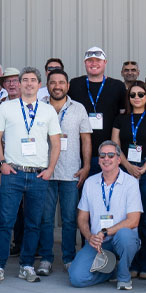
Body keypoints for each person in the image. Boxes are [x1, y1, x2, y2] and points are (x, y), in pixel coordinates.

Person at [0, 68, 61, 284]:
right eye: (25, 80)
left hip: (38, 175)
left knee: (33, 223)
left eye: (33, 80)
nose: (29, 83)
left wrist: (50, 169)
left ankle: (26, 265)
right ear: (19, 84)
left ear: (39, 85)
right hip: (13, 173)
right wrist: (2, 163)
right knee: (6, 223)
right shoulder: (6, 108)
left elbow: (56, 143)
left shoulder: (48, 110)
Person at [68, 141, 142, 290]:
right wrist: (89, 237)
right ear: (98, 160)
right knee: (76, 278)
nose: (106, 159)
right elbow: (82, 218)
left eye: (111, 155)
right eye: (102, 155)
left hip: (121, 239)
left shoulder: (131, 183)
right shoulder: (90, 183)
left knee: (125, 236)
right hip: (98, 243)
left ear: (119, 159)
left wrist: (106, 232)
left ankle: (123, 276)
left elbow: (134, 221)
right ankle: (110, 272)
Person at [116, 79, 146, 280]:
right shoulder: (121, 119)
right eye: (133, 95)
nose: (137, 98)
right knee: (129, 219)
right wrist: (128, 167)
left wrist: (144, 168)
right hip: (126, 170)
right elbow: (116, 145)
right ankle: (132, 263)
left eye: (140, 94)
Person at [42, 68, 89, 272]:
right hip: (45, 173)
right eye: (53, 82)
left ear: (68, 86)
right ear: (47, 85)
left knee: (70, 219)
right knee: (46, 219)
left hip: (71, 172)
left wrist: (86, 166)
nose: (57, 86)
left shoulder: (78, 108)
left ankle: (69, 258)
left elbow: (86, 139)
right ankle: (46, 258)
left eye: (61, 82)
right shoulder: (39, 106)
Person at [68, 47, 128, 175]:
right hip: (78, 153)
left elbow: (124, 118)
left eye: (98, 60)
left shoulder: (117, 86)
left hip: (108, 154)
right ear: (85, 63)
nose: (93, 63)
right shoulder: (74, 84)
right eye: (90, 60)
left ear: (105, 62)